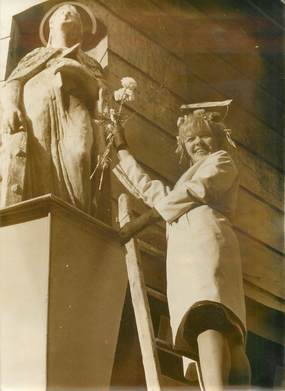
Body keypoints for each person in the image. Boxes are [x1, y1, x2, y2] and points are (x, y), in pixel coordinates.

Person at [112, 108, 251, 390]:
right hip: (196, 247)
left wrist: (145, 220)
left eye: (204, 136)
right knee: (224, 327)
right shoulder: (181, 186)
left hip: (206, 242)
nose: (197, 142)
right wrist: (122, 151)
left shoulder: (221, 161)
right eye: (190, 139)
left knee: (208, 316)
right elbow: (154, 192)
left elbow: (195, 190)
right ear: (183, 146)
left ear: (217, 139)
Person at [0, 4, 106, 214]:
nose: (67, 14)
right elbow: (13, 82)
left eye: (73, 14)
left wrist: (75, 68)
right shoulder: (37, 54)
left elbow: (102, 94)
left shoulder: (90, 63)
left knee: (80, 153)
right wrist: (11, 106)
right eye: (61, 13)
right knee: (41, 159)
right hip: (37, 111)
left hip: (76, 110)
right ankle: (37, 213)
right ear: (51, 25)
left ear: (81, 29)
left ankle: (75, 217)